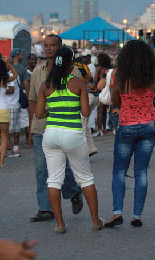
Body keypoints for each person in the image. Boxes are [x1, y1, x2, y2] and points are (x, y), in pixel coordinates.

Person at [35, 46, 104, 233]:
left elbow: (39, 113)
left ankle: (60, 224)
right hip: (72, 134)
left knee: (54, 179)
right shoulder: (77, 82)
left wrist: (54, 110)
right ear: (71, 63)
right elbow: (85, 111)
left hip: (50, 135)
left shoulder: (45, 84)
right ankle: (95, 220)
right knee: (85, 178)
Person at [105, 40, 155, 228]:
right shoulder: (153, 77)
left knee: (119, 171)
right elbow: (154, 97)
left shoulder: (121, 78)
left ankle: (117, 212)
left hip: (127, 125)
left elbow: (115, 102)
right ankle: (137, 216)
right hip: (149, 126)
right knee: (141, 172)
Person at [28, 34, 83, 223]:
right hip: (40, 127)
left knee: (64, 166)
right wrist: (31, 127)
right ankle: (45, 208)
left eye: (53, 45)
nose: (49, 48)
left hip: (63, 126)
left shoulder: (73, 71)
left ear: (59, 48)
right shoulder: (37, 72)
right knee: (41, 168)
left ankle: (73, 191)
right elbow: (33, 102)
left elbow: (78, 98)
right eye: (46, 45)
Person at [8, 49, 29, 157]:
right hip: (17, 102)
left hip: (9, 103)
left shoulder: (8, 73)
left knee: (7, 128)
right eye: (21, 54)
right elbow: (26, 84)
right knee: (17, 127)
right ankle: (16, 148)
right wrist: (29, 97)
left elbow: (10, 89)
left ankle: (8, 146)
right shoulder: (21, 70)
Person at [0, 58, 16, 166]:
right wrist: (8, 64)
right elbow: (16, 74)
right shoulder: (5, 79)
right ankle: (1, 161)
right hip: (4, 108)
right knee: (4, 135)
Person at [93, 53, 112, 137]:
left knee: (100, 111)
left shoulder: (99, 68)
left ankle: (100, 129)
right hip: (109, 92)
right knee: (106, 111)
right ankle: (105, 128)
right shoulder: (110, 69)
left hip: (101, 92)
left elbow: (95, 79)